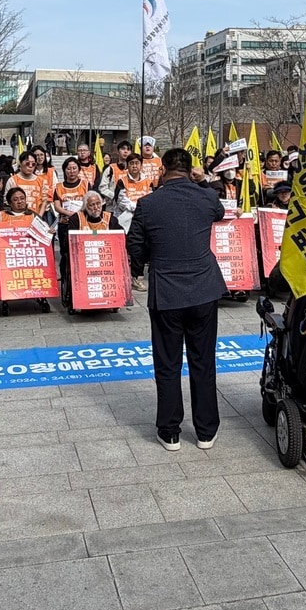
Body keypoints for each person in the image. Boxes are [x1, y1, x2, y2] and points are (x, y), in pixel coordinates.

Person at [126, 148, 226, 451]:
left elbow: (135, 244)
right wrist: (204, 181)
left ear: (162, 169)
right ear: (190, 169)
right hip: (204, 289)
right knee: (203, 361)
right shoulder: (206, 197)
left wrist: (142, 264)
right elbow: (220, 213)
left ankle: (170, 431)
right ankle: (206, 431)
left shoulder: (148, 203)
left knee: (168, 363)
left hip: (167, 291)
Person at [60, 191, 126, 308]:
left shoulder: (110, 219)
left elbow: (121, 235)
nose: (96, 208)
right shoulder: (77, 219)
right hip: (83, 260)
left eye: (98, 204)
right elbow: (68, 241)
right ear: (86, 206)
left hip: (105, 259)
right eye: (92, 205)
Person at [113, 153, 153, 226]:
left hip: (144, 217)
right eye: (131, 163)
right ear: (127, 166)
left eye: (137, 163)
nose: (134, 166)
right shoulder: (122, 181)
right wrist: (137, 208)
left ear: (141, 165)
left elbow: (151, 199)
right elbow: (121, 201)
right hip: (126, 219)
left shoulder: (149, 182)